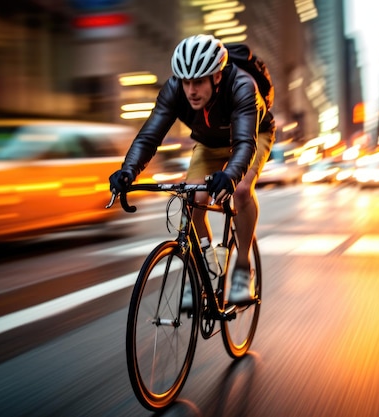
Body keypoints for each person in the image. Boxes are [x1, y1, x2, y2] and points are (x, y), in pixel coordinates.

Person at [109, 34, 276, 305]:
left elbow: (245, 144)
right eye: (186, 82)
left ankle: (244, 268)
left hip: (253, 135)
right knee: (193, 198)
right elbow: (150, 136)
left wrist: (231, 176)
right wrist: (128, 171)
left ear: (217, 77)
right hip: (209, 143)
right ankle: (209, 268)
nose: (191, 90)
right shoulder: (174, 90)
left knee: (243, 190)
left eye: (198, 82)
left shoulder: (243, 87)